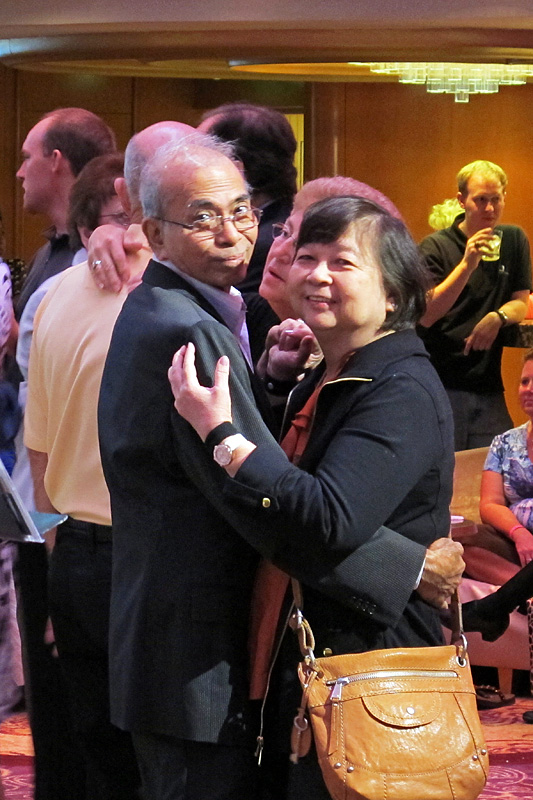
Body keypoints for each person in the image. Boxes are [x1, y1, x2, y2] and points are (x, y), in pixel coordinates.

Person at [99, 142, 463, 800]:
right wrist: (408, 566)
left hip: (353, 668)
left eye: (242, 211)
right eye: (203, 216)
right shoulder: (194, 329)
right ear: (152, 233)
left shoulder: (386, 381)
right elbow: (260, 507)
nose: (233, 232)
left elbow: (297, 504)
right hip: (201, 653)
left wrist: (254, 400)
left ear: (393, 290)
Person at [23, 146, 157, 799]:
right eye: (120, 217)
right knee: (133, 752)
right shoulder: (155, 293)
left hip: (97, 553)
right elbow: (40, 452)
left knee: (116, 753)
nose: (132, 233)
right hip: (115, 554)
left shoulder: (56, 297)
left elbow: (40, 461)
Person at [13, 107, 117, 800]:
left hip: (101, 524)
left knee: (104, 721)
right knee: (60, 702)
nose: (18, 169)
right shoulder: (53, 270)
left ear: (57, 161)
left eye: (27, 155)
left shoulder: (123, 275)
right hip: (47, 512)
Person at [419, 160, 531, 451]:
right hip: (441, 382)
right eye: (481, 200)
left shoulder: (513, 240)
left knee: (495, 466)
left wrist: (498, 316)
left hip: (487, 384)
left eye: (496, 199)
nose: (490, 209)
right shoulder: (436, 247)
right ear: (462, 201)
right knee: (447, 474)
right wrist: (467, 265)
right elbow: (426, 315)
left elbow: (521, 301)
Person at [198, 102, 297, 293]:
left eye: (200, 153)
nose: (189, 162)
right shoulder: (283, 218)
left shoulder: (263, 244)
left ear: (234, 167)